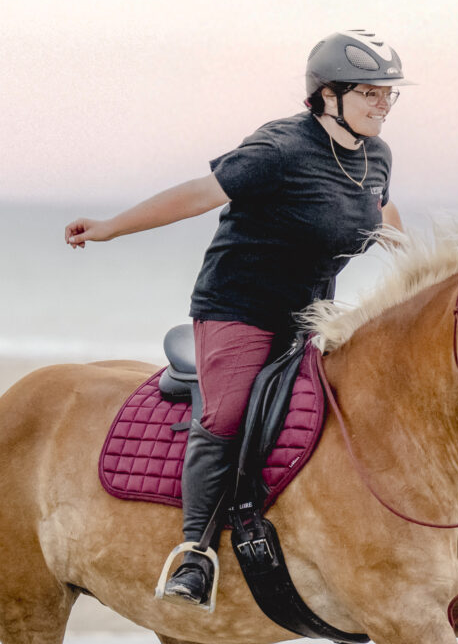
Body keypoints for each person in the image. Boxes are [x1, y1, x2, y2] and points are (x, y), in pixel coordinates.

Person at [64, 30, 411, 607]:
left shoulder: (377, 155)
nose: (383, 104)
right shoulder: (278, 148)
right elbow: (200, 194)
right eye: (370, 93)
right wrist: (109, 227)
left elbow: (380, 206)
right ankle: (195, 552)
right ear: (328, 95)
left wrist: (418, 267)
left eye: (388, 95)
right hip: (238, 308)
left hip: (312, 316)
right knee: (225, 415)